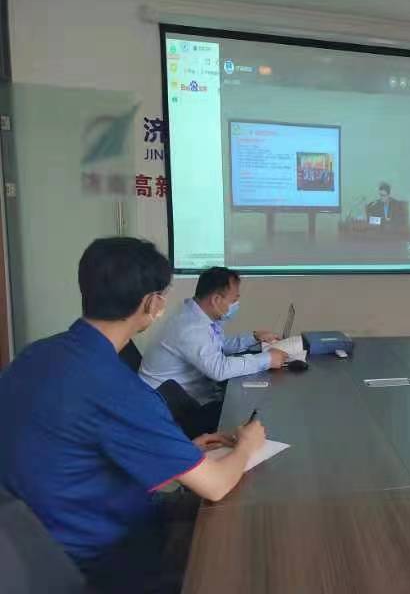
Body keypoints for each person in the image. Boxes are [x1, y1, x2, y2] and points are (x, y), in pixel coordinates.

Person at [0, 237, 268, 593]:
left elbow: (71, 449)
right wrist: (247, 446)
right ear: (152, 303)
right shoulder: (118, 389)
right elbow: (216, 485)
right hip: (102, 556)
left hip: (37, 544)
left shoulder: (34, 355)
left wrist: (182, 451)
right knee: (245, 540)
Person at [139, 266, 287, 410]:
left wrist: (254, 337)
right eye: (234, 300)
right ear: (216, 300)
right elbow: (219, 369)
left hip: (185, 397)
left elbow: (218, 345)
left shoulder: (197, 316)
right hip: (173, 408)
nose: (236, 305)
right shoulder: (190, 328)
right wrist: (266, 359)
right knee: (254, 407)